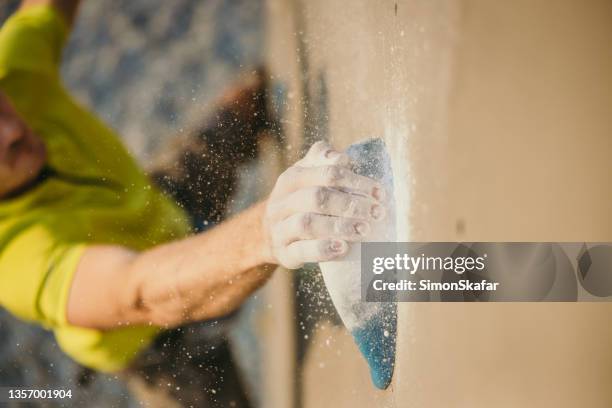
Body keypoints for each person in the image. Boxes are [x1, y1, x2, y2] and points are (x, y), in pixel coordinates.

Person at [0, 0, 386, 404]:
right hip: (161, 342)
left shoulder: (17, 72)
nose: (11, 131)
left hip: (165, 206)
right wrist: (268, 230)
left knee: (249, 100)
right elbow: (138, 291)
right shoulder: (16, 261)